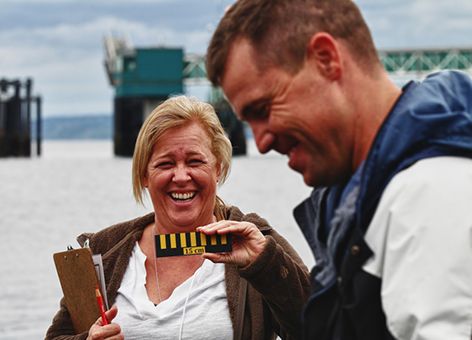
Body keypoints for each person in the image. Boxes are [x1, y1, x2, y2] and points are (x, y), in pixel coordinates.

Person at [205, 0, 472, 339]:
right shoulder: (364, 196)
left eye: (264, 108)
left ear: (326, 59)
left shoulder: (432, 193)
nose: (261, 142)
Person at [45, 96, 311, 340]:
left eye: (195, 162)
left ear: (218, 168)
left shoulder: (254, 243)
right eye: (165, 164)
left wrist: (266, 265)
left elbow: (321, 327)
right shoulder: (105, 251)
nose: (181, 177)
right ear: (144, 175)